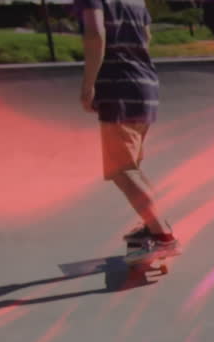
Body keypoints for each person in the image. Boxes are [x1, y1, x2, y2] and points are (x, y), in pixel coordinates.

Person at [78, 0, 180, 265]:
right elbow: (146, 36)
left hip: (118, 85)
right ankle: (153, 224)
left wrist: (88, 85)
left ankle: (163, 237)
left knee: (122, 170)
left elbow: (95, 34)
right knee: (132, 167)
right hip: (144, 83)